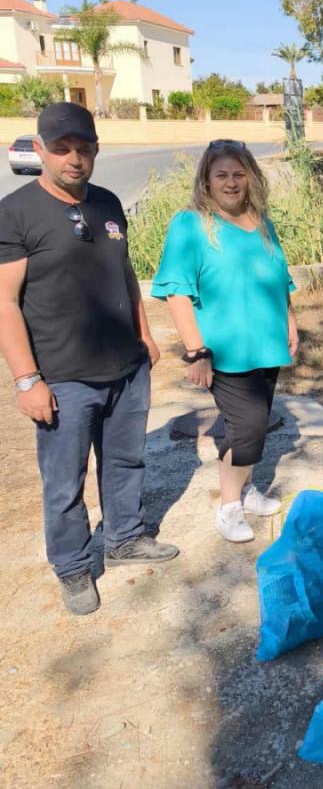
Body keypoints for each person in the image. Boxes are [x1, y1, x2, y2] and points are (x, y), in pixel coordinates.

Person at [0, 102, 179, 616]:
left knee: (126, 461)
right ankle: (74, 567)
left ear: (95, 149)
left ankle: (124, 537)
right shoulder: (16, 213)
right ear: (40, 151)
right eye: (61, 149)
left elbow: (122, 274)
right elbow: (6, 301)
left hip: (125, 367)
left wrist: (143, 334)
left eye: (84, 148)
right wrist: (25, 379)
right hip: (62, 377)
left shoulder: (107, 202)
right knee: (64, 480)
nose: (73, 159)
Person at [151, 140, 298, 544]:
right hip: (224, 350)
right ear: (207, 180)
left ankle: (247, 491)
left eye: (238, 173)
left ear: (250, 176)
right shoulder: (191, 224)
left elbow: (279, 277)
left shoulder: (261, 220)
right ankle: (229, 506)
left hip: (265, 344)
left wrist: (290, 321)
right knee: (247, 426)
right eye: (222, 175)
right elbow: (177, 291)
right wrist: (196, 351)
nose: (231, 183)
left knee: (255, 424)